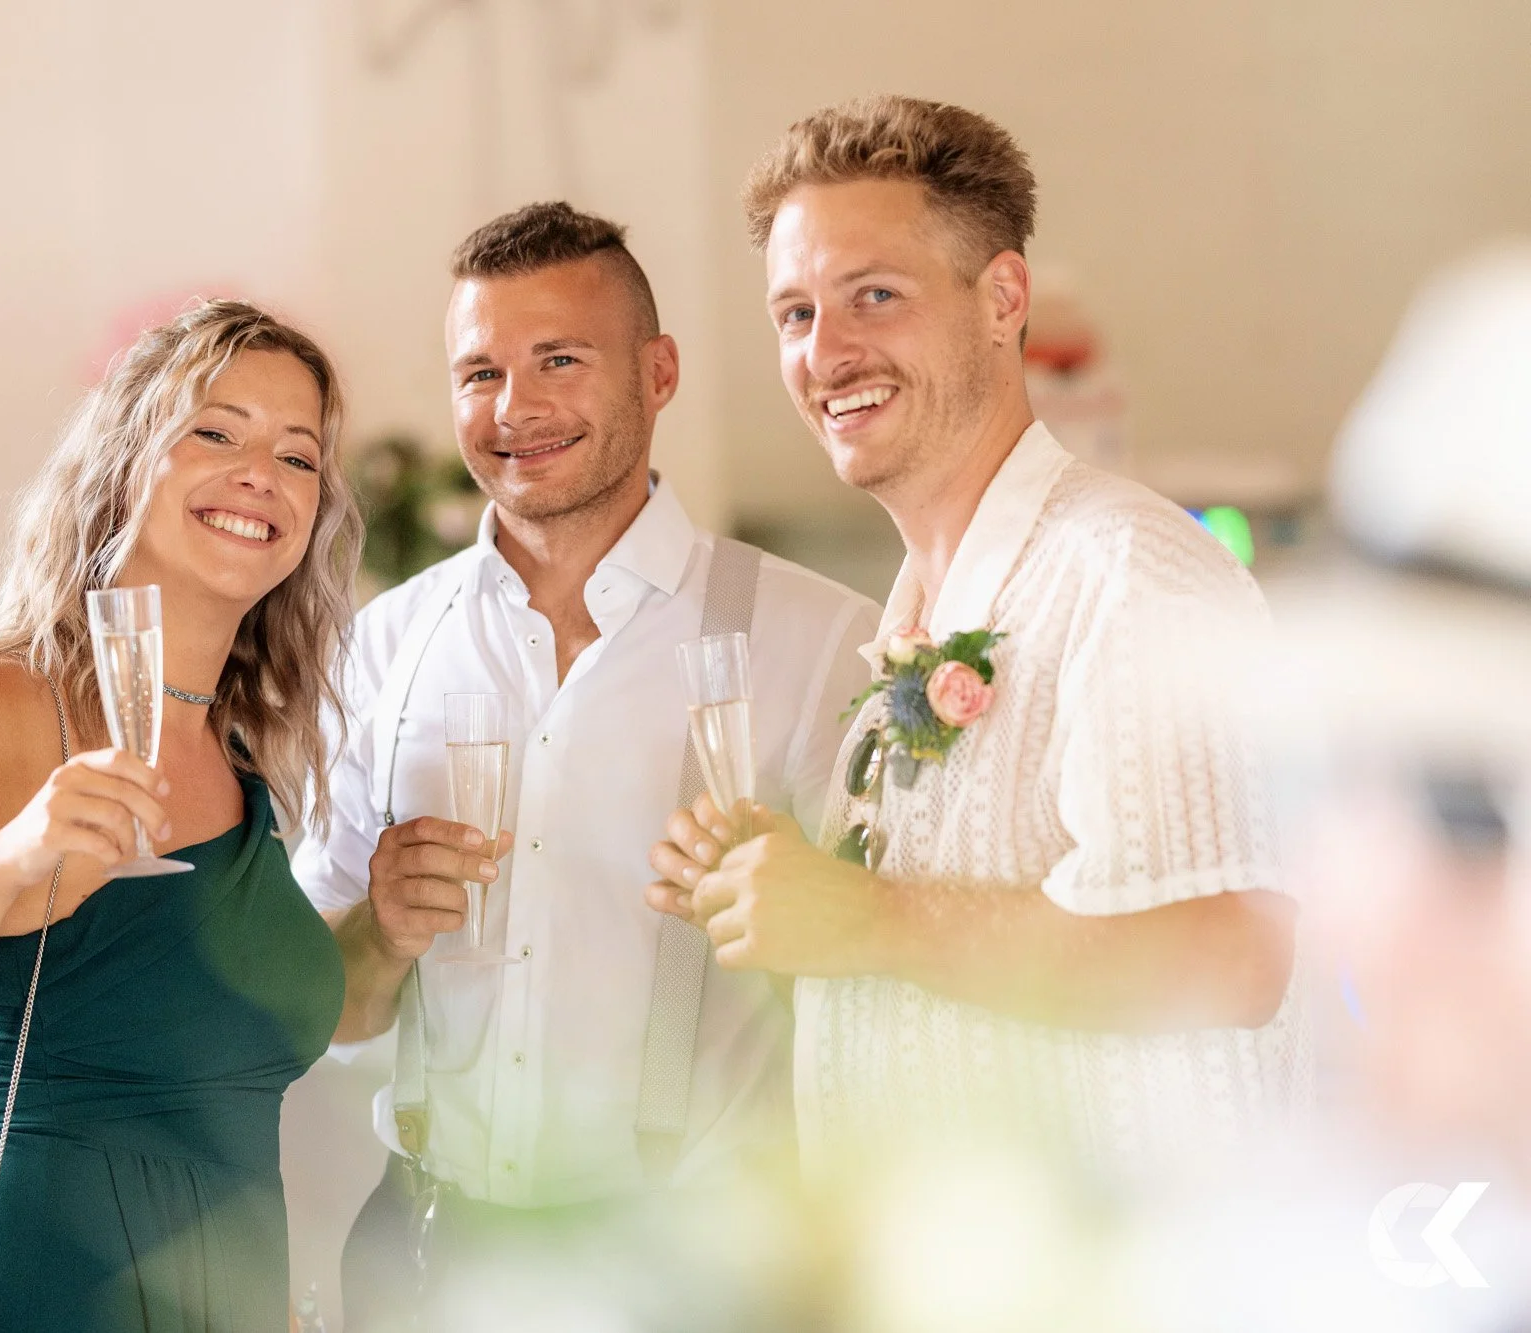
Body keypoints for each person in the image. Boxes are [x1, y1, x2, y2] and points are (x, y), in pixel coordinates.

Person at [649, 96, 1309, 1172]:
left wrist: (867, 917)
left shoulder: (1129, 576)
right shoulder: (913, 609)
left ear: (1003, 297)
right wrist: (780, 899)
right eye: (793, 315)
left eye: (874, 295)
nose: (827, 352)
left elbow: (1234, 957)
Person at [291, 202, 877, 1327]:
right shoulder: (387, 644)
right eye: (479, 372)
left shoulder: (816, 643)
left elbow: (882, 997)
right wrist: (382, 926)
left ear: (656, 372)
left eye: (559, 359)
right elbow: (335, 1011)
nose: (514, 409)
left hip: (698, 1275)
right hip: (419, 1257)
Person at [0, 300, 362, 1331]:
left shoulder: (245, 755)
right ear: (123, 459)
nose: (260, 474)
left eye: (297, 455)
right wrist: (0, 869)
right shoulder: (2, 701)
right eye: (215, 431)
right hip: (33, 1288)